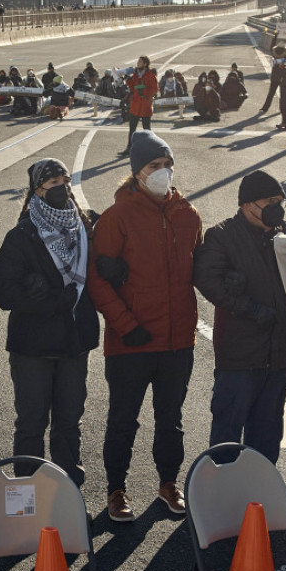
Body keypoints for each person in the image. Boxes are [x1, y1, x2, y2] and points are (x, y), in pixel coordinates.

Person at [87, 132, 202, 521]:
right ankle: (116, 489)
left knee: (170, 420)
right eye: (154, 167)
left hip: (176, 341)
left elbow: (202, 269)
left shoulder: (188, 214)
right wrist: (125, 324)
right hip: (131, 342)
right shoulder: (116, 217)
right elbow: (98, 281)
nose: (163, 173)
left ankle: (169, 482)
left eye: (167, 165)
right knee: (123, 419)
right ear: (137, 173)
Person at [0, 159, 99, 487]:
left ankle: (69, 486)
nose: (61, 188)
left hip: (74, 342)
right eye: (51, 183)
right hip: (33, 348)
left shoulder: (85, 227)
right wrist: (38, 294)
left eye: (64, 180)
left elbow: (100, 274)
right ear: (37, 191)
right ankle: (27, 488)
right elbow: (3, 293)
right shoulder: (23, 234)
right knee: (31, 422)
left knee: (69, 420)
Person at [193, 171, 286, 465]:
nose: (276, 207)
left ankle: (261, 488)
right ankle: (221, 488)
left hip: (277, 353)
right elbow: (207, 280)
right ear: (247, 205)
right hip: (239, 355)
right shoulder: (222, 236)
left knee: (267, 432)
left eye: (280, 201)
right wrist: (251, 309)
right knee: (228, 428)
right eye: (269, 201)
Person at [123, 55, 158, 154]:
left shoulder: (150, 75)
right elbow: (134, 88)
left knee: (147, 130)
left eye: (140, 61)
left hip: (145, 105)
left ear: (145, 64)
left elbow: (154, 89)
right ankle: (129, 148)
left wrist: (144, 91)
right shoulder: (136, 74)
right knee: (132, 129)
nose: (138, 63)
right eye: (138, 61)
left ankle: (149, 149)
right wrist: (128, 80)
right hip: (136, 104)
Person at [259, 44, 286, 113]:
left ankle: (264, 108)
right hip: (283, 79)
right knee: (284, 94)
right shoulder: (285, 60)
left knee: (270, 94)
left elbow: (272, 47)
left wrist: (276, 36)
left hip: (274, 79)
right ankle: (284, 108)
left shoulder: (273, 60)